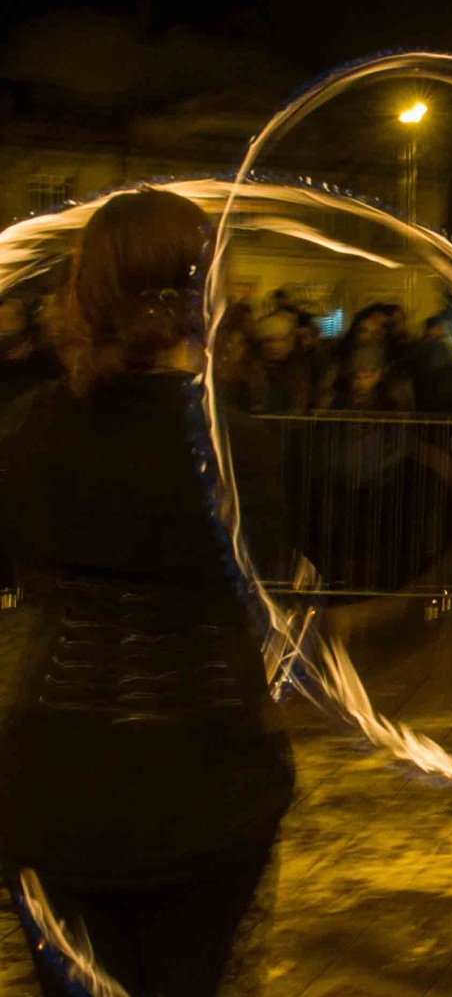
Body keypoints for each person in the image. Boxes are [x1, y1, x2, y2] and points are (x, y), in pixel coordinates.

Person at [0, 189, 296, 996]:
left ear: (83, 294)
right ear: (205, 295)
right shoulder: (237, 446)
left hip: (52, 785)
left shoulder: (25, 429)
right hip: (208, 785)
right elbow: (261, 589)